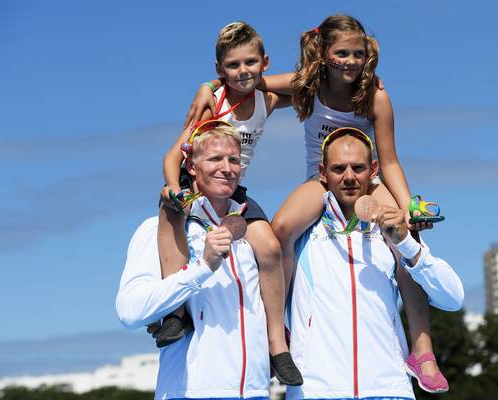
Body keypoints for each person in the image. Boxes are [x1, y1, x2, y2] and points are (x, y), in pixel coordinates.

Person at [185, 15, 447, 392]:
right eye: (342, 53)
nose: (351, 61)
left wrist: (409, 206)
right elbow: (247, 80)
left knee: (406, 240)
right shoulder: (308, 85)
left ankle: (422, 350)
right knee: (279, 231)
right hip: (320, 180)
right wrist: (207, 86)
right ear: (323, 54)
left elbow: (388, 160)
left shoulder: (376, 96)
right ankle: (283, 328)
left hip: (367, 181)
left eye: (358, 53)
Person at [157, 22, 302, 385]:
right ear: (220, 69)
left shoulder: (265, 100)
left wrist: (258, 81)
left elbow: (307, 83)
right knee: (171, 215)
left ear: (265, 62)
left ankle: (276, 344)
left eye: (251, 63)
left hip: (233, 189)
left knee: (268, 246)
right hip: (196, 184)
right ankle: (174, 312)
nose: (243, 72)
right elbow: (172, 156)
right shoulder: (212, 103)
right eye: (233, 66)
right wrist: (176, 188)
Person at [285, 127, 464, 399]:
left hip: (390, 388)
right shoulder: (303, 234)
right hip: (317, 390)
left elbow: (454, 298)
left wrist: (406, 243)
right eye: (338, 168)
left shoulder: (392, 233)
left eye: (358, 168)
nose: (348, 177)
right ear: (322, 172)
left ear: (373, 170)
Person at [116, 123, 272, 399]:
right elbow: (130, 311)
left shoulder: (253, 234)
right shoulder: (157, 228)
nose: (227, 168)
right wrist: (202, 268)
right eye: (215, 159)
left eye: (234, 160)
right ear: (191, 167)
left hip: (255, 391)